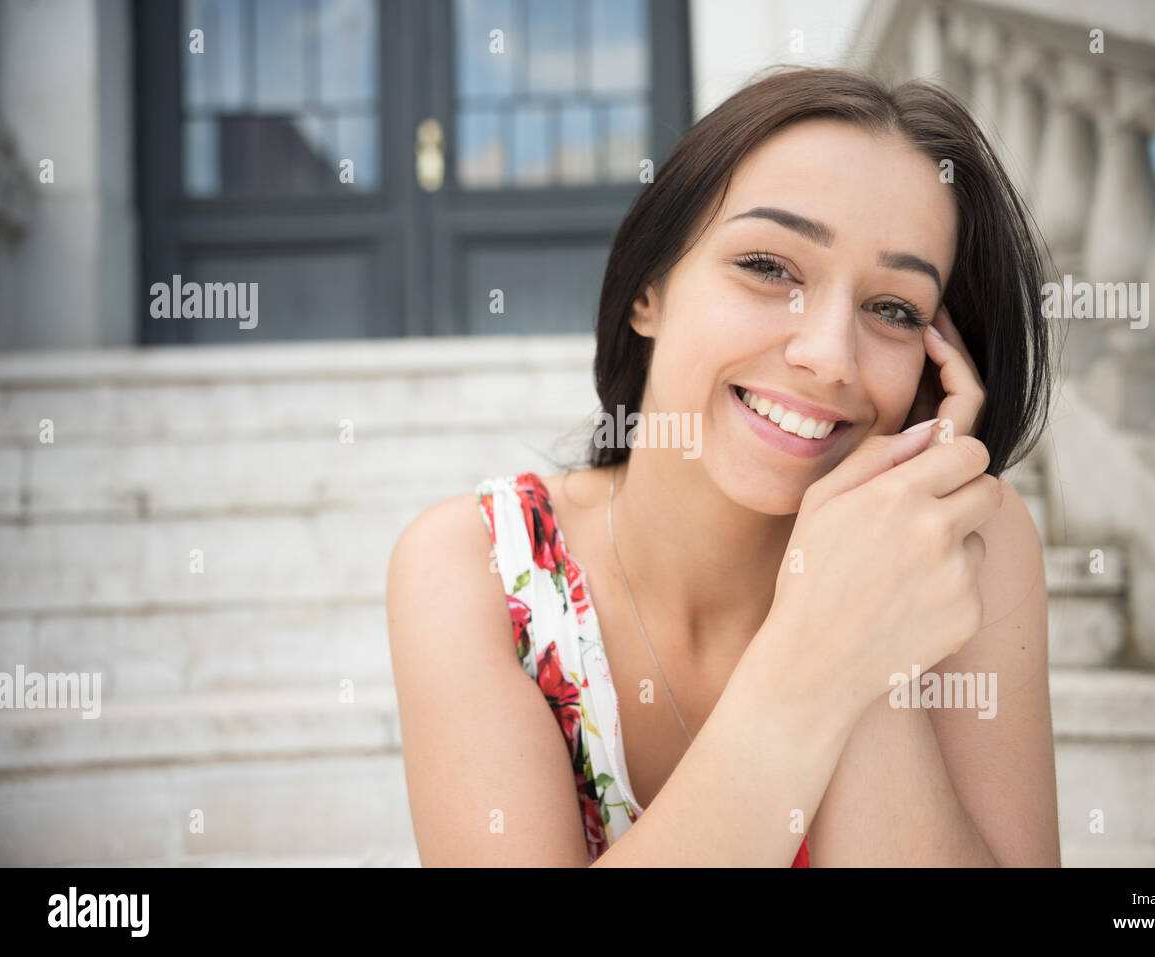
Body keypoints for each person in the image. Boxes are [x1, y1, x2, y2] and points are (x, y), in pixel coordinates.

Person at [387, 66, 1061, 867]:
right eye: (770, 268)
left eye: (893, 309)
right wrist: (822, 649)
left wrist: (872, 613)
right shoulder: (477, 567)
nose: (827, 357)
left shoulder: (961, 544)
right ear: (649, 287)